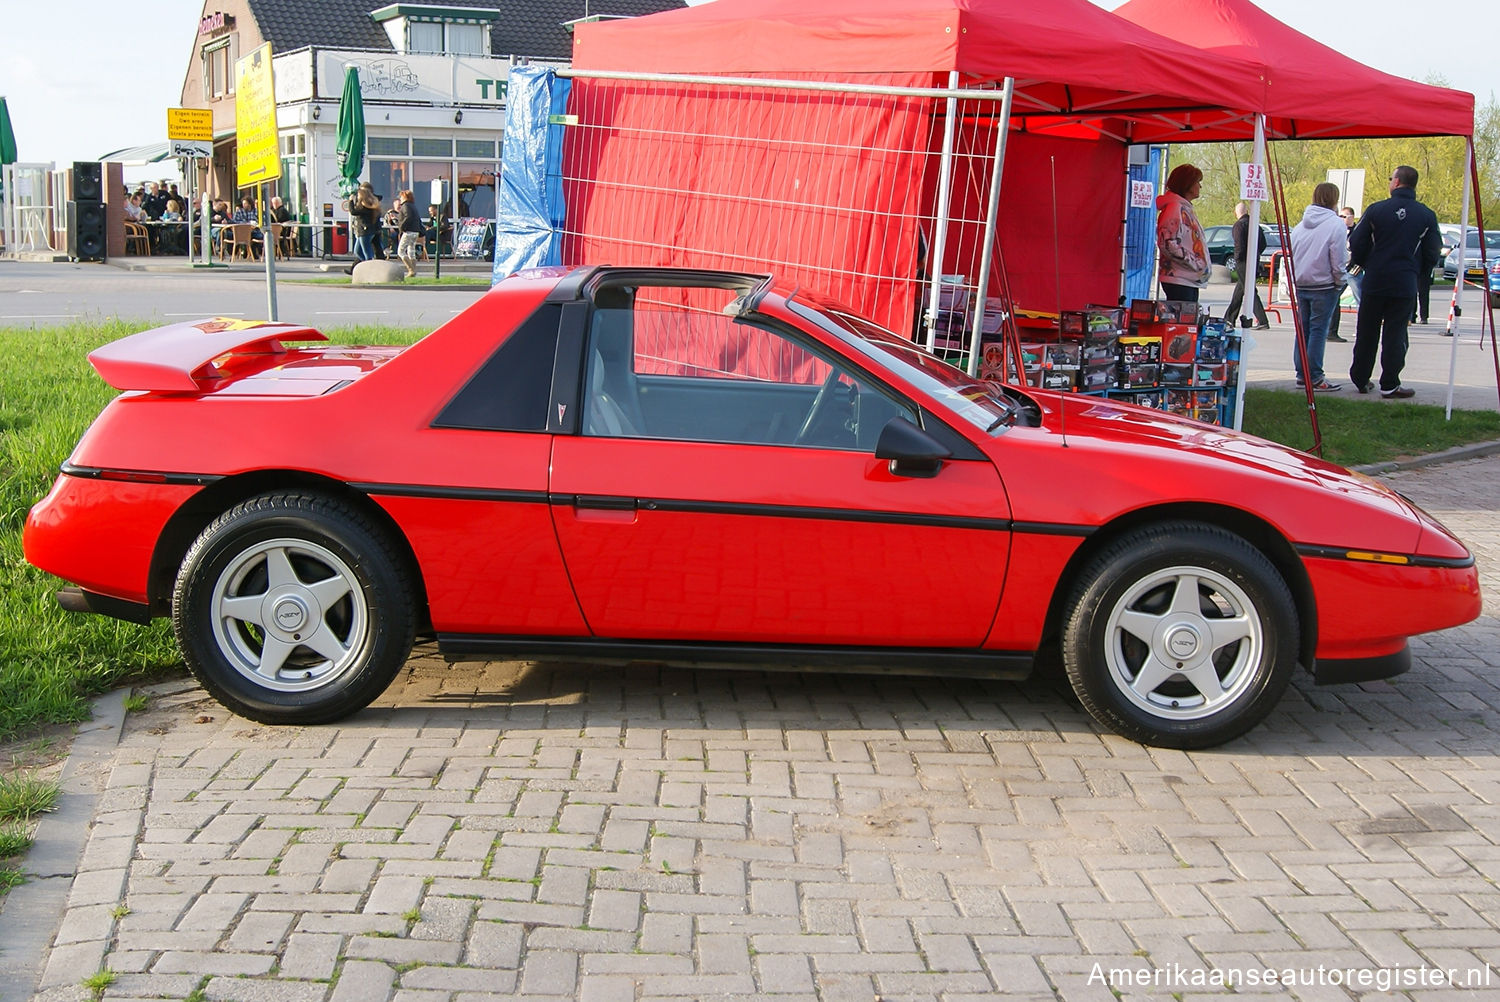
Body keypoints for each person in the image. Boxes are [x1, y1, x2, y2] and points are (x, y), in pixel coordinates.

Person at [1348, 166, 1443, 399]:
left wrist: (1364, 262)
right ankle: (1390, 383)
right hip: (1404, 281)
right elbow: (1433, 250)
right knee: (1396, 332)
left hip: (1376, 279)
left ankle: (1361, 378)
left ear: (1397, 182)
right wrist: (1419, 271)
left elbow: (1356, 241)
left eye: (1391, 178)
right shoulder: (1426, 215)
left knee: (1367, 331)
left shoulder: (1376, 210)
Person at [1288, 182, 1347, 392]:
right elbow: (1338, 258)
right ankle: (1314, 375)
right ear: (1334, 200)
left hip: (1302, 282)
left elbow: (1292, 254)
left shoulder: (1301, 225)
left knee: (1302, 331)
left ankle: (1302, 373)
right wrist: (1341, 280)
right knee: (1318, 331)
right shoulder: (1336, 225)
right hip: (1324, 284)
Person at [1155, 163, 1212, 302]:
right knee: (1182, 320)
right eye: (1197, 182)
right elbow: (1167, 243)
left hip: (1186, 278)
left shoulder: (1182, 208)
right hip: (1179, 278)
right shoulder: (1175, 209)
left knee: (1188, 319)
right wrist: (1194, 262)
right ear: (1188, 184)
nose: (1200, 187)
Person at [1224, 201, 1270, 330]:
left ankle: (1262, 320)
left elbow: (1239, 244)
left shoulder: (1239, 225)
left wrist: (1238, 258)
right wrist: (1256, 253)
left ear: (1236, 213)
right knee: (1240, 290)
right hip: (1254, 259)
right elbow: (1263, 243)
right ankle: (1229, 318)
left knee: (1249, 291)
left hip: (1243, 261)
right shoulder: (1255, 224)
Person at [1327, 208, 1358, 342]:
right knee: (1334, 299)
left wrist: (1355, 265)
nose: (1341, 219)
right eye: (1340, 216)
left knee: (1361, 300)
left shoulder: (1357, 232)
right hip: (1342, 269)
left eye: (1344, 216)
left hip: (1354, 270)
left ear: (1351, 217)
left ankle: (1362, 330)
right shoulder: (1338, 230)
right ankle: (1331, 331)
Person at [345, 182, 381, 271]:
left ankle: (370, 268)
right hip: (365, 231)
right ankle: (365, 265)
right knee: (357, 251)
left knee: (367, 252)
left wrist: (350, 201)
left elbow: (353, 211)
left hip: (365, 231)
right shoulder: (369, 204)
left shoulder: (365, 207)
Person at [395, 190, 423, 278]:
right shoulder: (413, 206)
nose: (400, 199)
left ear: (405, 197)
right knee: (411, 251)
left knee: (401, 251)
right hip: (415, 231)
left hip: (408, 232)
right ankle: (413, 271)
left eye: (401, 197)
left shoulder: (406, 206)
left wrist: (402, 227)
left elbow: (408, 217)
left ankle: (411, 270)